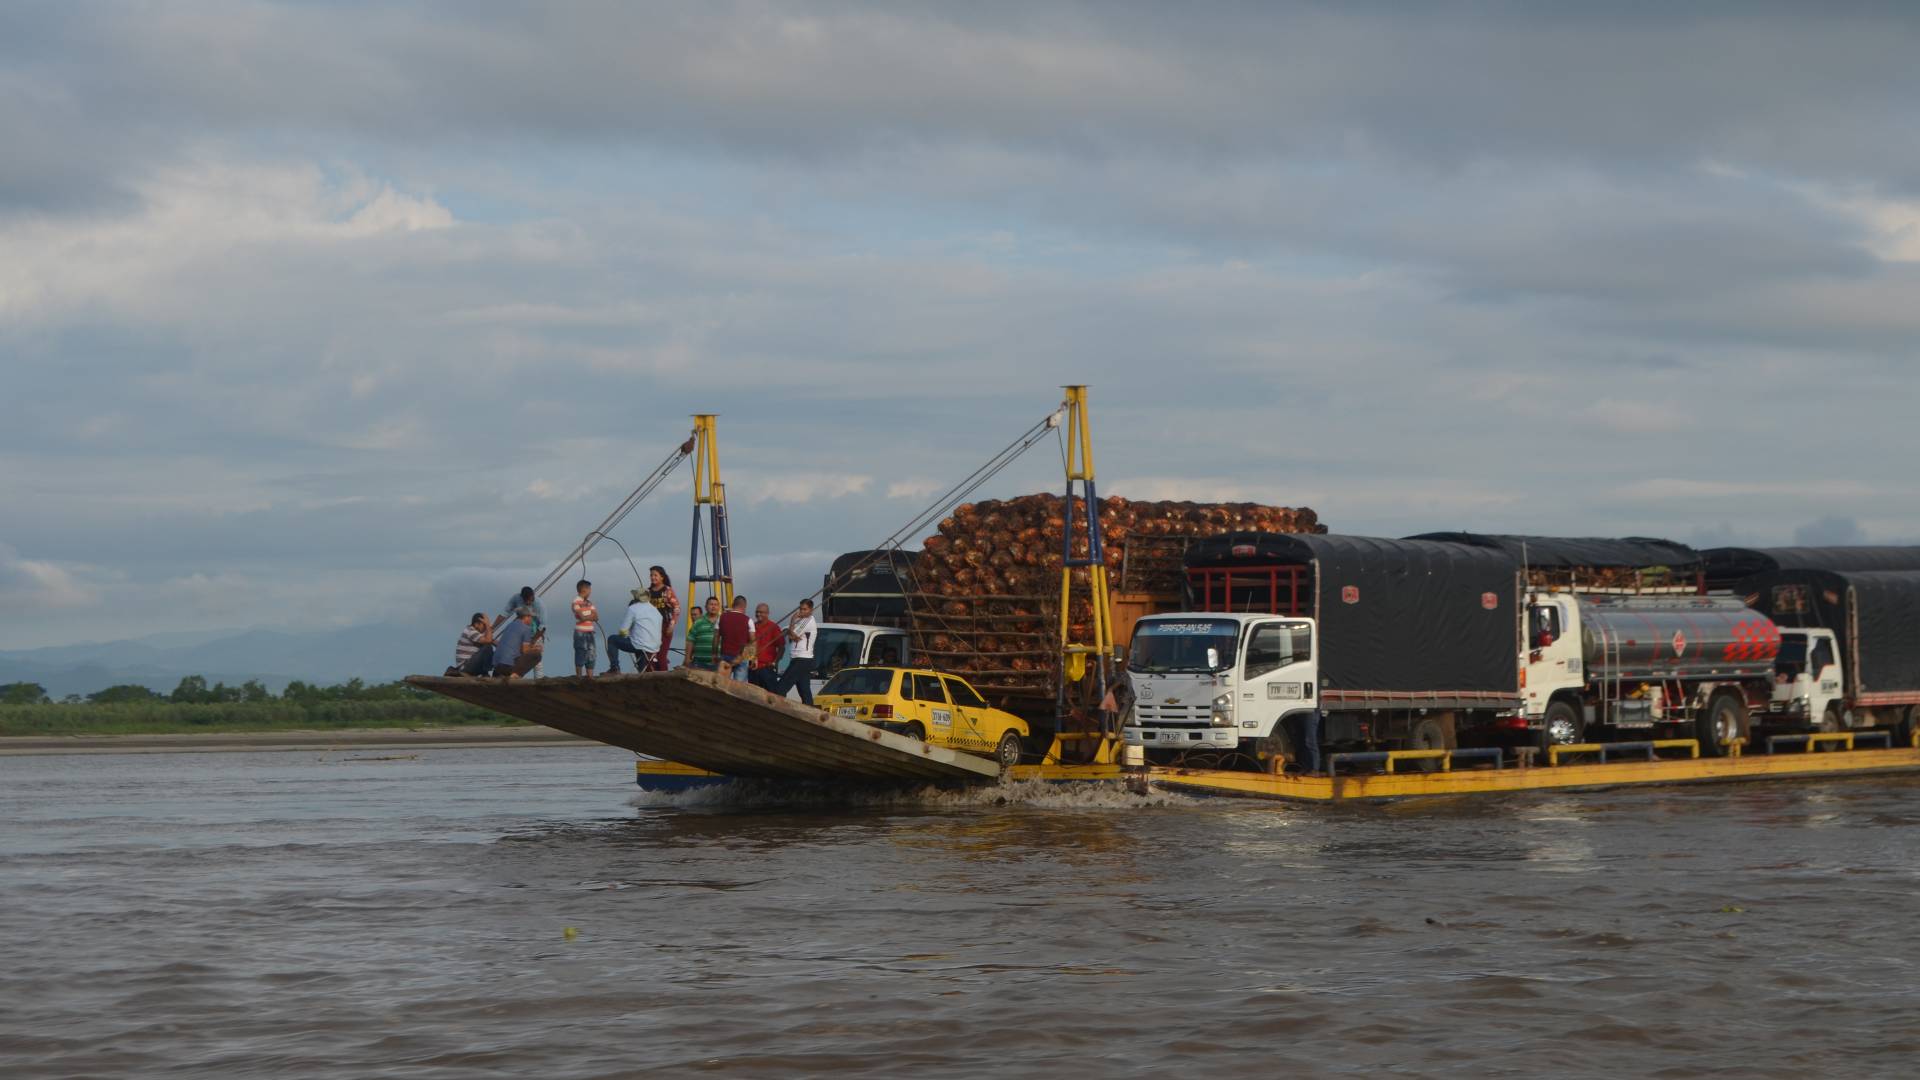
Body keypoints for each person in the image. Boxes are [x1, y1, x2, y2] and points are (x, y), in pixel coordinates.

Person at [772, 598, 819, 705]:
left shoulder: (808, 620)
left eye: (805, 609)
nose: (802, 611)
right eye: (800, 609)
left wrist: (792, 620)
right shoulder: (802, 620)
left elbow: (792, 635)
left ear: (811, 610)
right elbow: (791, 635)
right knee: (804, 691)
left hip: (802, 660)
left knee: (780, 688)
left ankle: (779, 710)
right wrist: (791, 633)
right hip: (800, 659)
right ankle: (810, 713)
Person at [494, 585, 546, 678]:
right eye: (527, 601)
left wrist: (533, 641)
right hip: (520, 632)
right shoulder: (516, 599)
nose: (529, 602)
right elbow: (505, 613)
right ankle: (514, 674)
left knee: (536, 662)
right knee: (526, 654)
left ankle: (538, 679)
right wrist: (493, 627)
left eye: (531, 600)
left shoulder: (539, 605)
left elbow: (542, 626)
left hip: (536, 633)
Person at [607, 587, 663, 673]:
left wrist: (625, 635)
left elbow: (623, 631)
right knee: (639, 645)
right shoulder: (656, 611)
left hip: (640, 645)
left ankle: (614, 668)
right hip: (654, 647)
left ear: (636, 597)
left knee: (612, 639)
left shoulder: (633, 608)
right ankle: (642, 671)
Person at [491, 607, 543, 679]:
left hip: (496, 667)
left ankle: (508, 674)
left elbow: (512, 646)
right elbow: (524, 650)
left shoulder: (509, 626)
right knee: (537, 655)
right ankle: (515, 675)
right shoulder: (526, 628)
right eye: (531, 617)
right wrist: (536, 648)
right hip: (507, 667)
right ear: (526, 617)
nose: (532, 620)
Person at [647, 566, 679, 671]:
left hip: (664, 626)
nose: (653, 577)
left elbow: (676, 608)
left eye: (655, 575)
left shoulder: (667, 591)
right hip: (650, 629)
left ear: (662, 577)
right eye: (651, 575)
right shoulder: (647, 592)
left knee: (661, 657)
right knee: (649, 657)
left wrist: (672, 625)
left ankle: (664, 679)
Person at [750, 602, 785, 691]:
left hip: (767, 668)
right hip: (753, 669)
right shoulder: (752, 626)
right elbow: (748, 646)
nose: (758, 614)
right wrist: (749, 660)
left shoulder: (774, 627)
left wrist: (775, 662)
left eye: (761, 612)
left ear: (767, 613)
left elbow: (782, 647)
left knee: (771, 697)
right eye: (757, 612)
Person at [718, 596, 753, 683]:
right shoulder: (748, 620)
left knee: (722, 684)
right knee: (739, 687)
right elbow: (753, 642)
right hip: (742, 658)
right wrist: (751, 658)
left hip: (725, 655)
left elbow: (716, 638)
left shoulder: (722, 617)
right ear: (744, 606)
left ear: (733, 605)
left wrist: (714, 654)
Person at [570, 579, 599, 677]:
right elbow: (582, 617)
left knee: (591, 654)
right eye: (589, 589)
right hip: (580, 632)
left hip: (590, 632)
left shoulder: (589, 602)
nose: (590, 592)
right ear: (585, 589)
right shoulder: (576, 601)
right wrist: (590, 616)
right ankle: (579, 677)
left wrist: (588, 616)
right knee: (580, 652)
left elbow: (596, 617)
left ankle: (590, 677)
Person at [687, 596, 721, 671]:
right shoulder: (698, 622)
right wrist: (687, 658)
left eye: (716, 605)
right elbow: (690, 640)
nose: (713, 607)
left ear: (719, 607)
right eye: (711, 604)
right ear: (706, 607)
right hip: (699, 663)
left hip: (718, 663)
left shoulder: (724, 621)